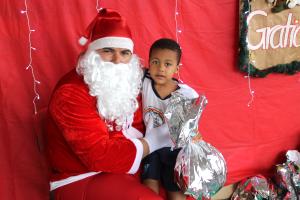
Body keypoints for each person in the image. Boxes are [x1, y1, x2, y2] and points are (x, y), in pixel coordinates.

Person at [45, 8, 173, 200]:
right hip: (81, 178)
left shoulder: (130, 81)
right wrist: (152, 142)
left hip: (125, 169)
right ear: (92, 53)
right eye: (108, 51)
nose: (117, 60)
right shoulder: (70, 92)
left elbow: (141, 120)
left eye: (124, 53)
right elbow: (98, 155)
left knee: (184, 188)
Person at [141, 38, 199, 200]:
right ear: (149, 63)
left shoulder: (186, 94)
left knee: (174, 191)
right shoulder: (144, 80)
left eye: (167, 64)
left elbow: (192, 125)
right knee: (148, 189)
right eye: (155, 62)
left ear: (176, 68)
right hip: (150, 147)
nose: (160, 68)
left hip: (174, 150)